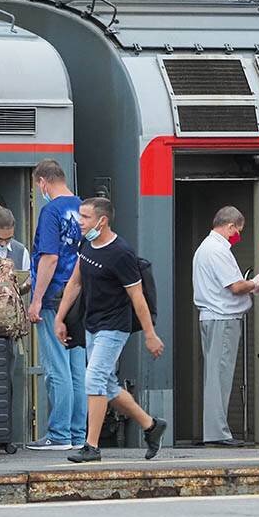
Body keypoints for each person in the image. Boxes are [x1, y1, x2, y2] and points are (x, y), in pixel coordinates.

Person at [56, 197, 167, 462]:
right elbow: (75, 282)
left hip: (114, 327)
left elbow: (138, 297)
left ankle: (91, 446)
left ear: (102, 221)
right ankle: (152, 426)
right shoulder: (87, 244)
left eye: (85, 217)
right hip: (92, 323)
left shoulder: (121, 253)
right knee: (106, 385)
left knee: (92, 380)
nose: (79, 222)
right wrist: (59, 318)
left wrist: (150, 334)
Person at [26, 159, 87, 451]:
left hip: (54, 296)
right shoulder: (85, 208)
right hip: (79, 295)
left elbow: (48, 257)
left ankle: (59, 434)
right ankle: (77, 433)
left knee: (57, 366)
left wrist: (36, 299)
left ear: (43, 182)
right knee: (77, 368)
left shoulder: (51, 211)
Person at [192, 206, 259, 446]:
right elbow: (235, 286)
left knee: (216, 375)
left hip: (214, 318)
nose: (238, 236)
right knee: (219, 376)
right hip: (222, 319)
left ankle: (216, 430)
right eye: (238, 231)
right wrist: (256, 282)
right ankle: (217, 434)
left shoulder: (206, 248)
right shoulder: (217, 250)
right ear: (230, 226)